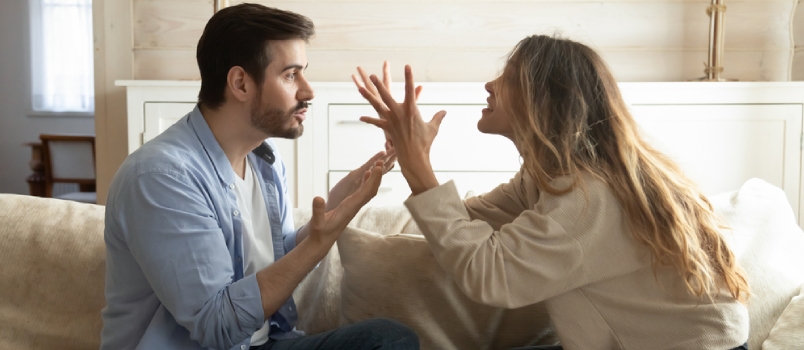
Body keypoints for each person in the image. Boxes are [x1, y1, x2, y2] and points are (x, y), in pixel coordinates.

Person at [353, 35, 750, 350]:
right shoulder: (551, 178)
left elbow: (492, 275)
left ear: (544, 98)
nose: (489, 85)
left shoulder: (590, 198)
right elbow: (462, 222)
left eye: (506, 78)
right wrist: (410, 158)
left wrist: (418, 165)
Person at [100, 4, 419, 350]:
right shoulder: (161, 178)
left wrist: (342, 202)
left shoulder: (264, 161)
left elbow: (280, 264)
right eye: (291, 75)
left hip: (263, 343)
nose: (308, 91)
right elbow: (217, 326)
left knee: (388, 340)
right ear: (240, 83)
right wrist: (317, 244)